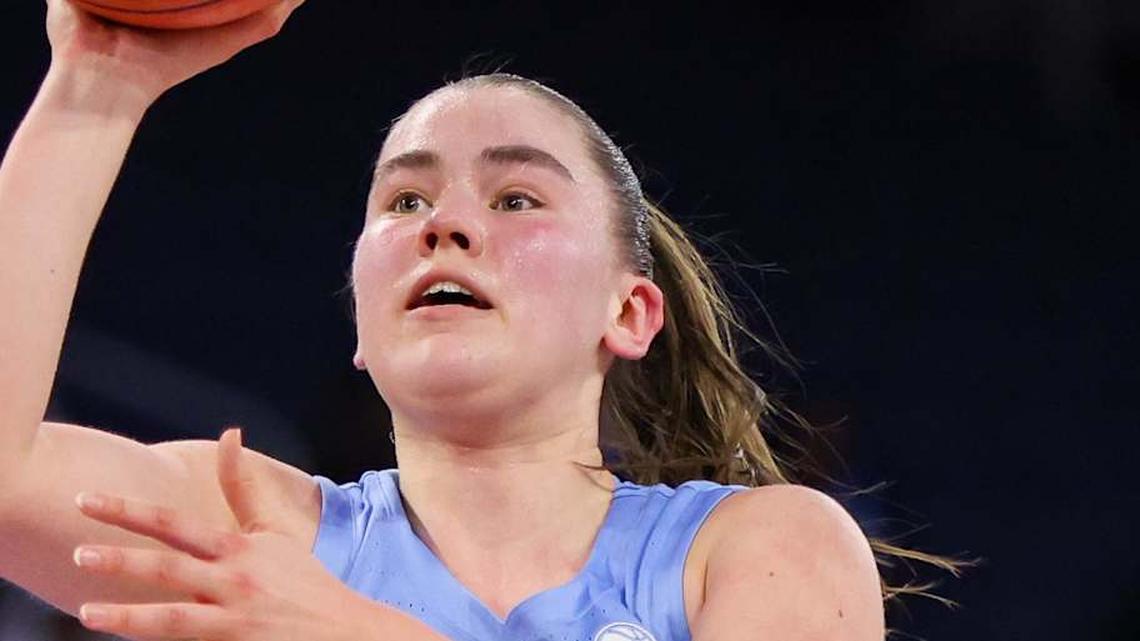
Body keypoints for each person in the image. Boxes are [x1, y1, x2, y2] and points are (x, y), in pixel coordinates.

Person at [0, 2, 971, 640]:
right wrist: (97, 83)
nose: (446, 225)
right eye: (405, 202)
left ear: (629, 310)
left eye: (515, 199)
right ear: (359, 322)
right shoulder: (258, 532)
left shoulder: (764, 544)